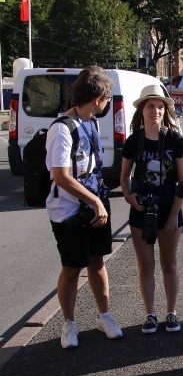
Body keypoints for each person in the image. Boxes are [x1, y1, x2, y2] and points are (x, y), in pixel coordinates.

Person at [45, 65, 122, 349]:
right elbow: (61, 176)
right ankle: (69, 324)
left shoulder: (91, 121)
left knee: (97, 261)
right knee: (72, 267)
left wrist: (96, 202)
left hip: (94, 205)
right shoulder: (62, 130)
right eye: (106, 98)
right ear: (98, 98)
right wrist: (94, 201)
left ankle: (104, 316)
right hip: (69, 212)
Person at [120, 85, 183, 334]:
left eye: (160, 107)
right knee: (145, 265)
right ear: (142, 110)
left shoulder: (174, 139)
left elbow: (182, 180)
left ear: (165, 111)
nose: (155, 111)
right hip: (141, 210)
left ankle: (171, 313)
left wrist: (173, 214)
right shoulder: (133, 140)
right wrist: (128, 196)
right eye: (150, 106)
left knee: (169, 264)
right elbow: (125, 175)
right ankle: (150, 314)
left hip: (170, 208)